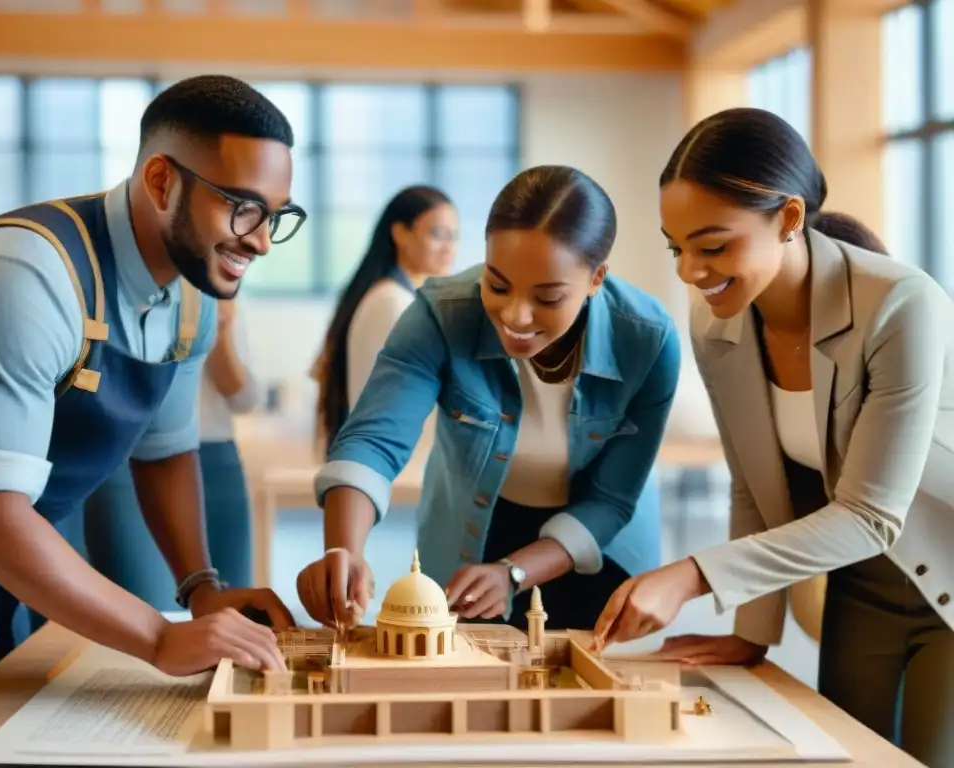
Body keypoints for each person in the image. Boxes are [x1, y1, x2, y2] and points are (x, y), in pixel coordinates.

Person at [0, 74, 304, 715]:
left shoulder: (193, 295)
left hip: (18, 553)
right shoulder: (23, 274)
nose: (262, 239)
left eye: (275, 215)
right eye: (242, 207)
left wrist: (200, 589)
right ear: (162, 181)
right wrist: (159, 637)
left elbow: (164, 449)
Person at [592, 107, 954, 766]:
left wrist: (694, 574)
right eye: (679, 248)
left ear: (789, 218)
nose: (690, 273)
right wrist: (750, 631)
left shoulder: (903, 304)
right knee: (843, 753)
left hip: (947, 577)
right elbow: (754, 487)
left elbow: (872, 515)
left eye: (714, 245)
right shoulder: (718, 330)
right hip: (860, 586)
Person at [296, 165, 680, 633]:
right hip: (473, 531)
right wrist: (344, 549)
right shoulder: (442, 312)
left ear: (596, 278)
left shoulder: (647, 338)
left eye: (548, 297)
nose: (515, 315)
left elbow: (611, 499)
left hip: (596, 545)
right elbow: (375, 438)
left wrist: (514, 572)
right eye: (497, 285)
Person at [82, 292, 260, 608]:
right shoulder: (116, 288)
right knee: (152, 608)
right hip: (130, 459)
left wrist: (216, 330)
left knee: (234, 614)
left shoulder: (220, 288)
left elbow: (244, 398)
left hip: (216, 458)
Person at [311, 184, 457, 453]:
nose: (449, 248)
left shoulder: (391, 296)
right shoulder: (394, 303)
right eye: (437, 234)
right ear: (401, 233)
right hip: (394, 464)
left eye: (453, 236)